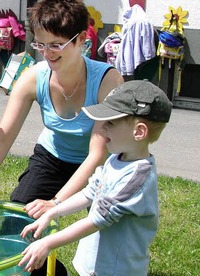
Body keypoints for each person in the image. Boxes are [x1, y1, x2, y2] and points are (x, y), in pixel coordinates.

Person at [0, 0, 123, 273]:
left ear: (81, 40)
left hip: (98, 166)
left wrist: (56, 204)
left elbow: (97, 154)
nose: (47, 53)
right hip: (51, 157)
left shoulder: (108, 81)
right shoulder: (33, 77)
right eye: (40, 44)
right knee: (16, 232)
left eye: (56, 44)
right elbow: (3, 137)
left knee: (104, 247)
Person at [18, 80, 172, 275]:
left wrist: (48, 243)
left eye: (111, 123)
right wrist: (53, 211)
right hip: (97, 265)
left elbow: (97, 220)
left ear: (139, 132)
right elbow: (90, 193)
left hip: (117, 270)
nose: (102, 128)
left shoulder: (137, 178)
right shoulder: (116, 159)